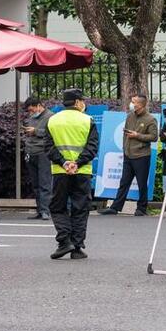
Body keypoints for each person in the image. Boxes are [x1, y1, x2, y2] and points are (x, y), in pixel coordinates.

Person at [45, 88, 99, 259]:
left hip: (60, 171)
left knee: (57, 206)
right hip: (82, 171)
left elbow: (48, 147)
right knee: (80, 208)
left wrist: (64, 162)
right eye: (82, 100)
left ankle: (64, 240)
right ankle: (76, 247)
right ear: (77, 102)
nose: (84, 103)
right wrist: (77, 163)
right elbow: (92, 147)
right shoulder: (88, 120)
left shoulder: (52, 120)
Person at [100, 93, 158, 216]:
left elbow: (154, 137)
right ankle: (115, 207)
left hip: (142, 156)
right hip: (128, 154)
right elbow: (125, 134)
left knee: (142, 183)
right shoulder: (130, 116)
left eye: (134, 102)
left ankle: (141, 208)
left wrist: (138, 136)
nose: (132, 103)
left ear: (141, 105)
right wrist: (125, 148)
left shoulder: (150, 119)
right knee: (124, 182)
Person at [21, 96, 53, 220]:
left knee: (45, 183)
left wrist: (36, 131)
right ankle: (40, 210)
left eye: (32, 110)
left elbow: (52, 133)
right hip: (30, 152)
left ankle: (46, 210)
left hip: (43, 152)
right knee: (35, 184)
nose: (31, 112)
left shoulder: (51, 116)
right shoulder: (30, 118)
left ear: (39, 105)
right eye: (29, 111)